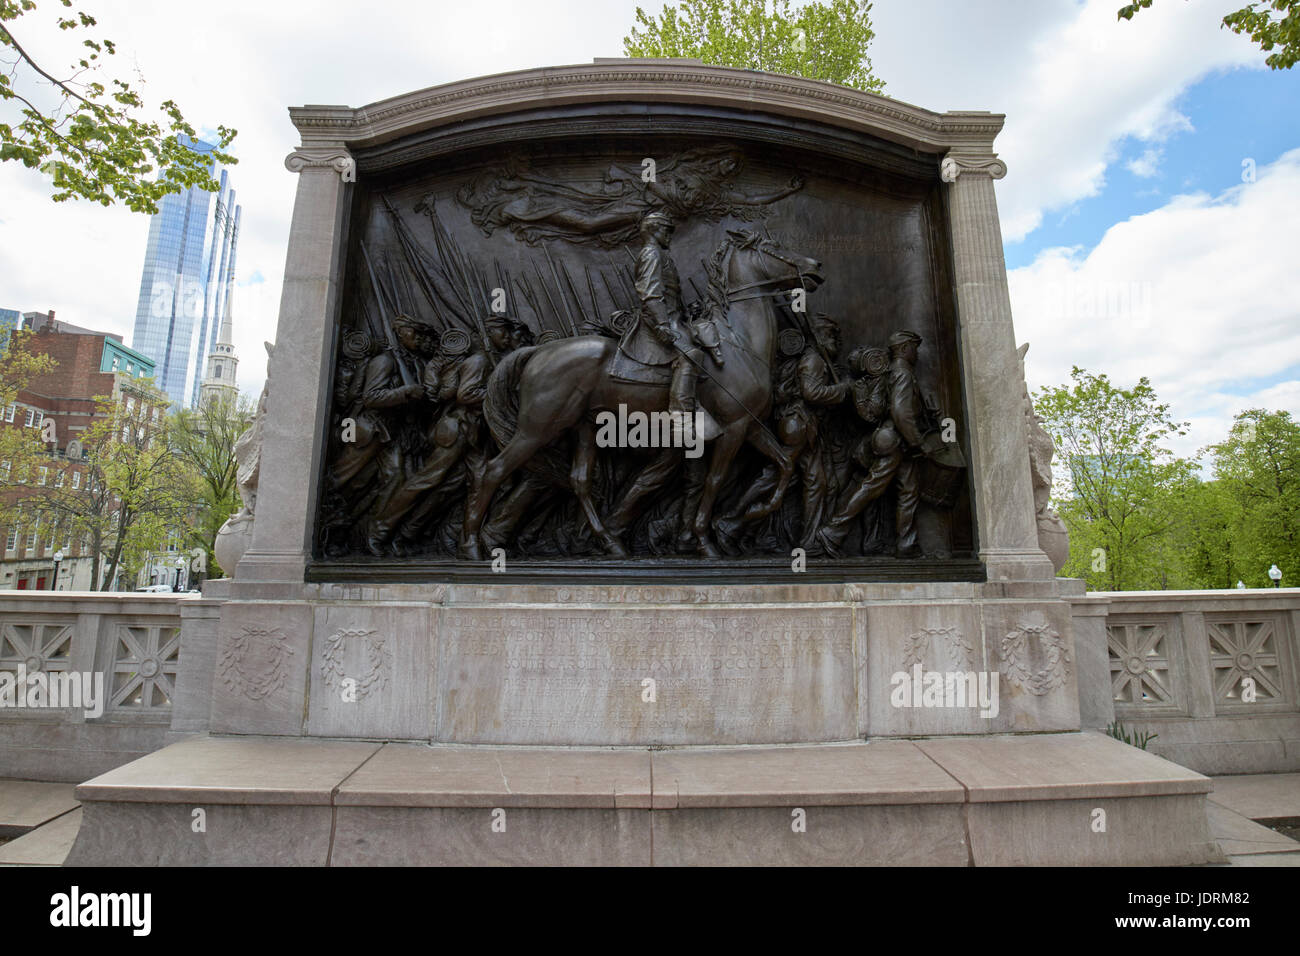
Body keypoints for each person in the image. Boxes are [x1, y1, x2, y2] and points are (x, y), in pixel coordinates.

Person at [816, 330, 946, 559]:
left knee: (908, 491)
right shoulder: (902, 373)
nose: (916, 353)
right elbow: (900, 411)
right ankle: (832, 531)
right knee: (871, 488)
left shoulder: (892, 372)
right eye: (914, 348)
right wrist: (918, 442)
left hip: (898, 442)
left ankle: (907, 545)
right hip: (896, 441)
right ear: (905, 348)